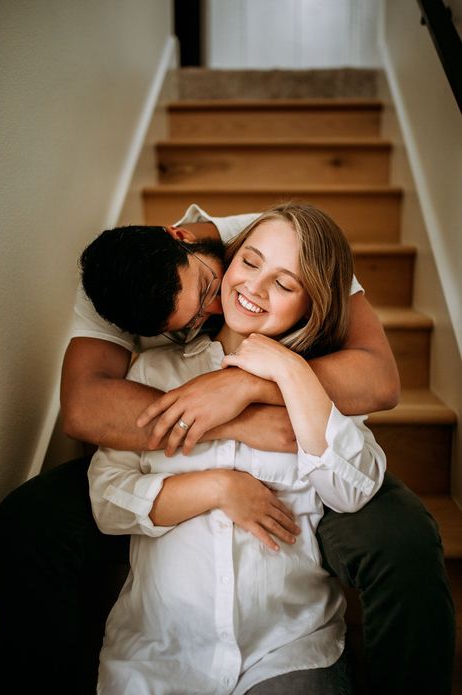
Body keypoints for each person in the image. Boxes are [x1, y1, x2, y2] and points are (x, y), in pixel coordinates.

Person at [0, 203, 454, 695]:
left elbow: (377, 384)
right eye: (189, 321)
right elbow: (85, 413)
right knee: (27, 516)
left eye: (211, 286)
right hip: (157, 642)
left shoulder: (272, 242)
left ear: (186, 239)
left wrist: (267, 379)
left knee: (405, 538)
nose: (219, 308)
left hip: (285, 639)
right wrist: (232, 432)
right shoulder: (121, 301)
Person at [87, 204, 387, 694]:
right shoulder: (152, 374)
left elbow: (355, 487)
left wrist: (290, 371)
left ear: (315, 304)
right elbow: (108, 500)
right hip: (156, 655)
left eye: (285, 283)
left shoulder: (324, 386)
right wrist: (216, 487)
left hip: (287, 647)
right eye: (250, 262)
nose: (254, 288)